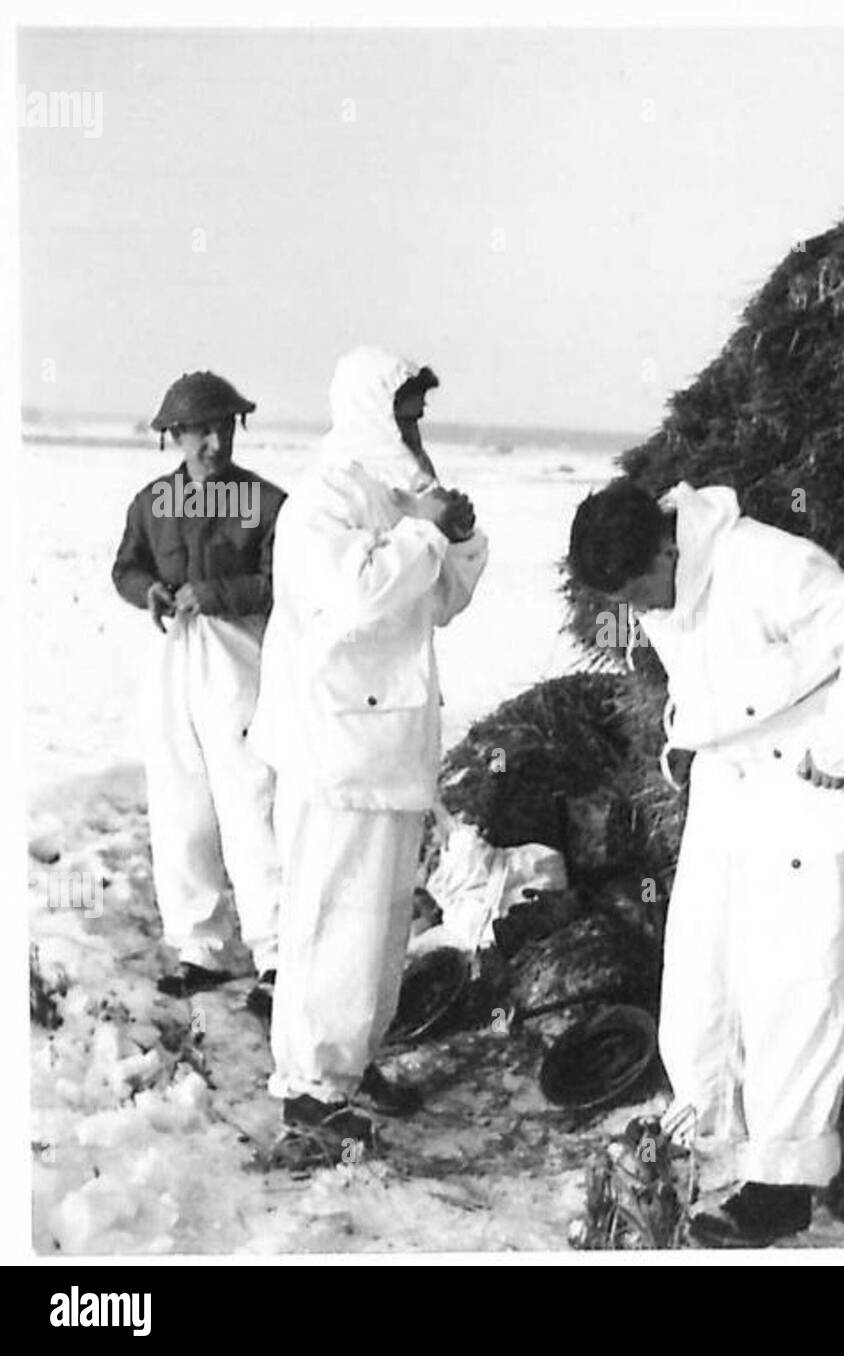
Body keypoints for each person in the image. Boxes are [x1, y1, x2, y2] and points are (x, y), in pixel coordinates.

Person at [568, 478, 844, 1246]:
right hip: (726, 793)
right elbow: (707, 678)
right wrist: (683, 745)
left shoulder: (768, 563)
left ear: (667, 545)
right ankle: (714, 1148)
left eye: (639, 587)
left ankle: (782, 1187)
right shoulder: (664, 583)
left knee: (789, 987)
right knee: (699, 980)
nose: (638, 607)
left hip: (797, 793)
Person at [248, 346, 487, 1161]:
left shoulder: (394, 494)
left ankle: (352, 1061)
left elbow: (445, 600)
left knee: (381, 925)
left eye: (419, 415)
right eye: (405, 415)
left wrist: (455, 532)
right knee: (328, 919)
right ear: (369, 413)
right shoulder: (319, 503)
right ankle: (311, 1088)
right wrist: (424, 527)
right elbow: (360, 593)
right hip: (333, 747)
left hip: (389, 741)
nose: (416, 430)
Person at [112, 371, 285, 1017]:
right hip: (170, 652)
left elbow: (282, 581)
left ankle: (277, 952)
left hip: (238, 654)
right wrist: (145, 592)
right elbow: (126, 565)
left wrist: (217, 595)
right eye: (198, 430)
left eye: (222, 427)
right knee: (180, 796)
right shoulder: (152, 502)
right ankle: (200, 948)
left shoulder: (266, 502)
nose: (212, 441)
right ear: (174, 435)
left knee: (253, 796)